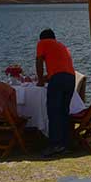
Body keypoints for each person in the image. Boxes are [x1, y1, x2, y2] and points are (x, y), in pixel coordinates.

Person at [36, 28, 75, 157]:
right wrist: (48, 77)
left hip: (58, 79)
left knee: (53, 112)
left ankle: (54, 145)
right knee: (64, 112)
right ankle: (65, 144)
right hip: (70, 79)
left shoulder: (43, 43)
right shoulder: (61, 46)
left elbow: (39, 61)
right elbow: (60, 67)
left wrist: (41, 80)